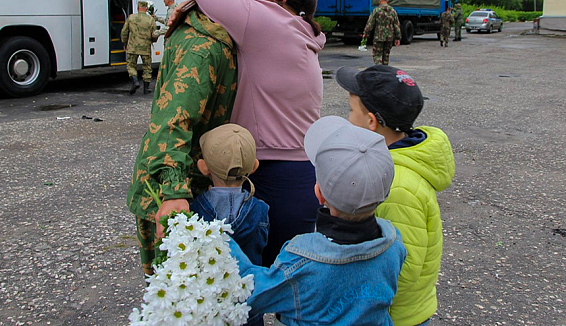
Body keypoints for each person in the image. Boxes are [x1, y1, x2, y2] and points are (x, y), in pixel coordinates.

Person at [186, 0, 326, 266]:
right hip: (301, 172)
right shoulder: (297, 32)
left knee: (248, 281)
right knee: (291, 284)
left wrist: (188, 9)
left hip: (273, 173)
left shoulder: (265, 20)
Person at [227, 116, 407, 326]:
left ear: (318, 194)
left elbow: (253, 290)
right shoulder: (393, 243)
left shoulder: (303, 259)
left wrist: (221, 238)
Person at [335, 65, 455, 326]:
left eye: (351, 111)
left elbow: (403, 269)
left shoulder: (397, 185)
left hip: (395, 316)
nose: (348, 118)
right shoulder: (389, 166)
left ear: (370, 121)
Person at [126, 0, 238, 275]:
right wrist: (174, 192)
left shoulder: (210, 33)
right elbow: (174, 120)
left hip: (187, 184)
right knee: (176, 289)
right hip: (174, 191)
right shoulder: (204, 48)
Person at [191, 123, 268, 326]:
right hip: (249, 304)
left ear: (203, 167)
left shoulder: (194, 210)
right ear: (254, 166)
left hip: (208, 308)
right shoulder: (261, 210)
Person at [120, 0, 156, 95]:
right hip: (145, 48)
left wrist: (125, 43)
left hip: (132, 46)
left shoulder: (131, 17)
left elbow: (124, 31)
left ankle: (135, 81)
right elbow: (154, 34)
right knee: (147, 67)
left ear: (138, 8)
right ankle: (146, 88)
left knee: (131, 65)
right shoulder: (150, 19)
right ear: (146, 8)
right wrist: (152, 41)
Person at [363, 0, 401, 65]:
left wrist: (366, 33)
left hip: (379, 37)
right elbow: (396, 25)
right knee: (386, 55)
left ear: (380, 0)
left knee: (377, 55)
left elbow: (370, 23)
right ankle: (385, 70)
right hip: (389, 37)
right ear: (387, 1)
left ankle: (379, 69)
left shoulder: (376, 10)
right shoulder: (392, 11)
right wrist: (397, 38)